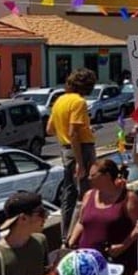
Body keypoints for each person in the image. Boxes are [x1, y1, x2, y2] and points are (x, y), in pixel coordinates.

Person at [46, 68, 97, 242]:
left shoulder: (59, 100)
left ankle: (64, 235)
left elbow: (50, 129)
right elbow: (74, 133)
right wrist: (80, 163)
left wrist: (65, 137)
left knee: (68, 194)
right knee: (85, 194)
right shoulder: (79, 102)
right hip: (81, 149)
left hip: (65, 149)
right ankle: (77, 236)